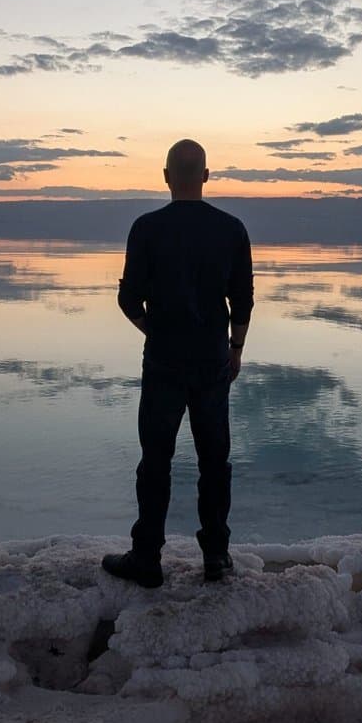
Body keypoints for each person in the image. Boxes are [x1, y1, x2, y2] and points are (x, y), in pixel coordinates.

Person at [102, 138, 254, 588]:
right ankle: (217, 558)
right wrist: (236, 349)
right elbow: (242, 300)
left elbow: (128, 298)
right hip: (212, 362)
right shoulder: (231, 229)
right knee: (214, 462)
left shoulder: (147, 228)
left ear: (166, 177)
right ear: (205, 176)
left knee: (155, 462)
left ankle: (147, 558)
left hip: (165, 361)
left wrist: (156, 330)